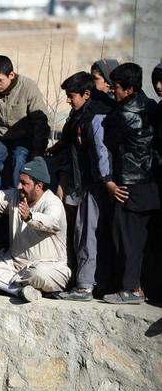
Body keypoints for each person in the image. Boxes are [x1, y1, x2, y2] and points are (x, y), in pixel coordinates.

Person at [0, 154, 69, 302]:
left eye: (24, 183)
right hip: (14, 265)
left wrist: (30, 217)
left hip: (47, 267)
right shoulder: (15, 197)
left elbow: (52, 222)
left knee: (39, 273)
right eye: (19, 182)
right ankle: (20, 291)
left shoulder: (53, 203)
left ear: (39, 186)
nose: (19, 187)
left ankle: (5, 285)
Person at [46, 72, 114, 302]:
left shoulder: (95, 117)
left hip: (93, 185)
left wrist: (106, 181)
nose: (68, 100)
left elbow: (101, 152)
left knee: (86, 234)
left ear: (86, 94)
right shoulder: (80, 113)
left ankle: (85, 286)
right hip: (80, 182)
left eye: (71, 96)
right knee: (79, 233)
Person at [101, 63, 159, 305]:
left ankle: (131, 289)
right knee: (145, 240)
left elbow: (109, 143)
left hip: (129, 185)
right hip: (151, 182)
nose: (113, 91)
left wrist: (109, 181)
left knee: (127, 238)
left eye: (116, 87)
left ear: (130, 89)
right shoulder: (153, 107)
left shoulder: (122, 115)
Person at [0, 55, 50, 190]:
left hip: (24, 136)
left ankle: (16, 198)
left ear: (11, 75)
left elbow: (40, 122)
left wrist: (38, 150)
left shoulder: (28, 87)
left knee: (19, 159)